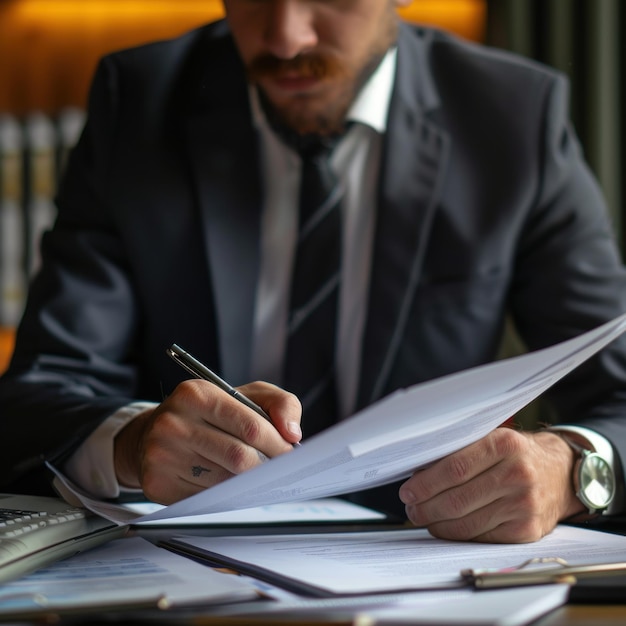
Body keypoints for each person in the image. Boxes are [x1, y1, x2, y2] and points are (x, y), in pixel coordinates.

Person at [1, 0, 626, 545]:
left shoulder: (511, 118)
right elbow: (40, 391)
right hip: (177, 571)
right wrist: (132, 444)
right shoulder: (137, 101)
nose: (285, 39)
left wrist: (570, 469)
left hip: (420, 567)